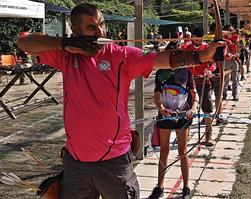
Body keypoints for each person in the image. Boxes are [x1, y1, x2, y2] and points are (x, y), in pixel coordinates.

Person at [17, 3, 224, 199]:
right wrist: (66, 44)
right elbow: (23, 42)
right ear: (75, 30)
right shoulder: (65, 55)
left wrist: (202, 57)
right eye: (91, 27)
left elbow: (158, 59)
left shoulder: (119, 55)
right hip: (76, 163)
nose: (100, 32)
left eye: (102, 24)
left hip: (114, 163)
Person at [149, 42, 198, 199]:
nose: (172, 58)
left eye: (176, 54)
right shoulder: (160, 73)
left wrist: (193, 109)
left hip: (183, 116)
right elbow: (157, 95)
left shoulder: (186, 72)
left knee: (183, 152)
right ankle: (160, 186)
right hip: (165, 116)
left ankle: (186, 187)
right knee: (164, 151)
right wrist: (161, 108)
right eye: (170, 54)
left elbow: (194, 94)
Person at [182, 28, 216, 146]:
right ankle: (185, 136)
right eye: (196, 38)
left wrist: (209, 70)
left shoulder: (207, 48)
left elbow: (213, 64)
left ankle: (208, 136)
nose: (198, 41)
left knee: (207, 109)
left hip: (204, 82)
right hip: (189, 83)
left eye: (200, 39)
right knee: (187, 109)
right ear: (193, 37)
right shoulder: (186, 48)